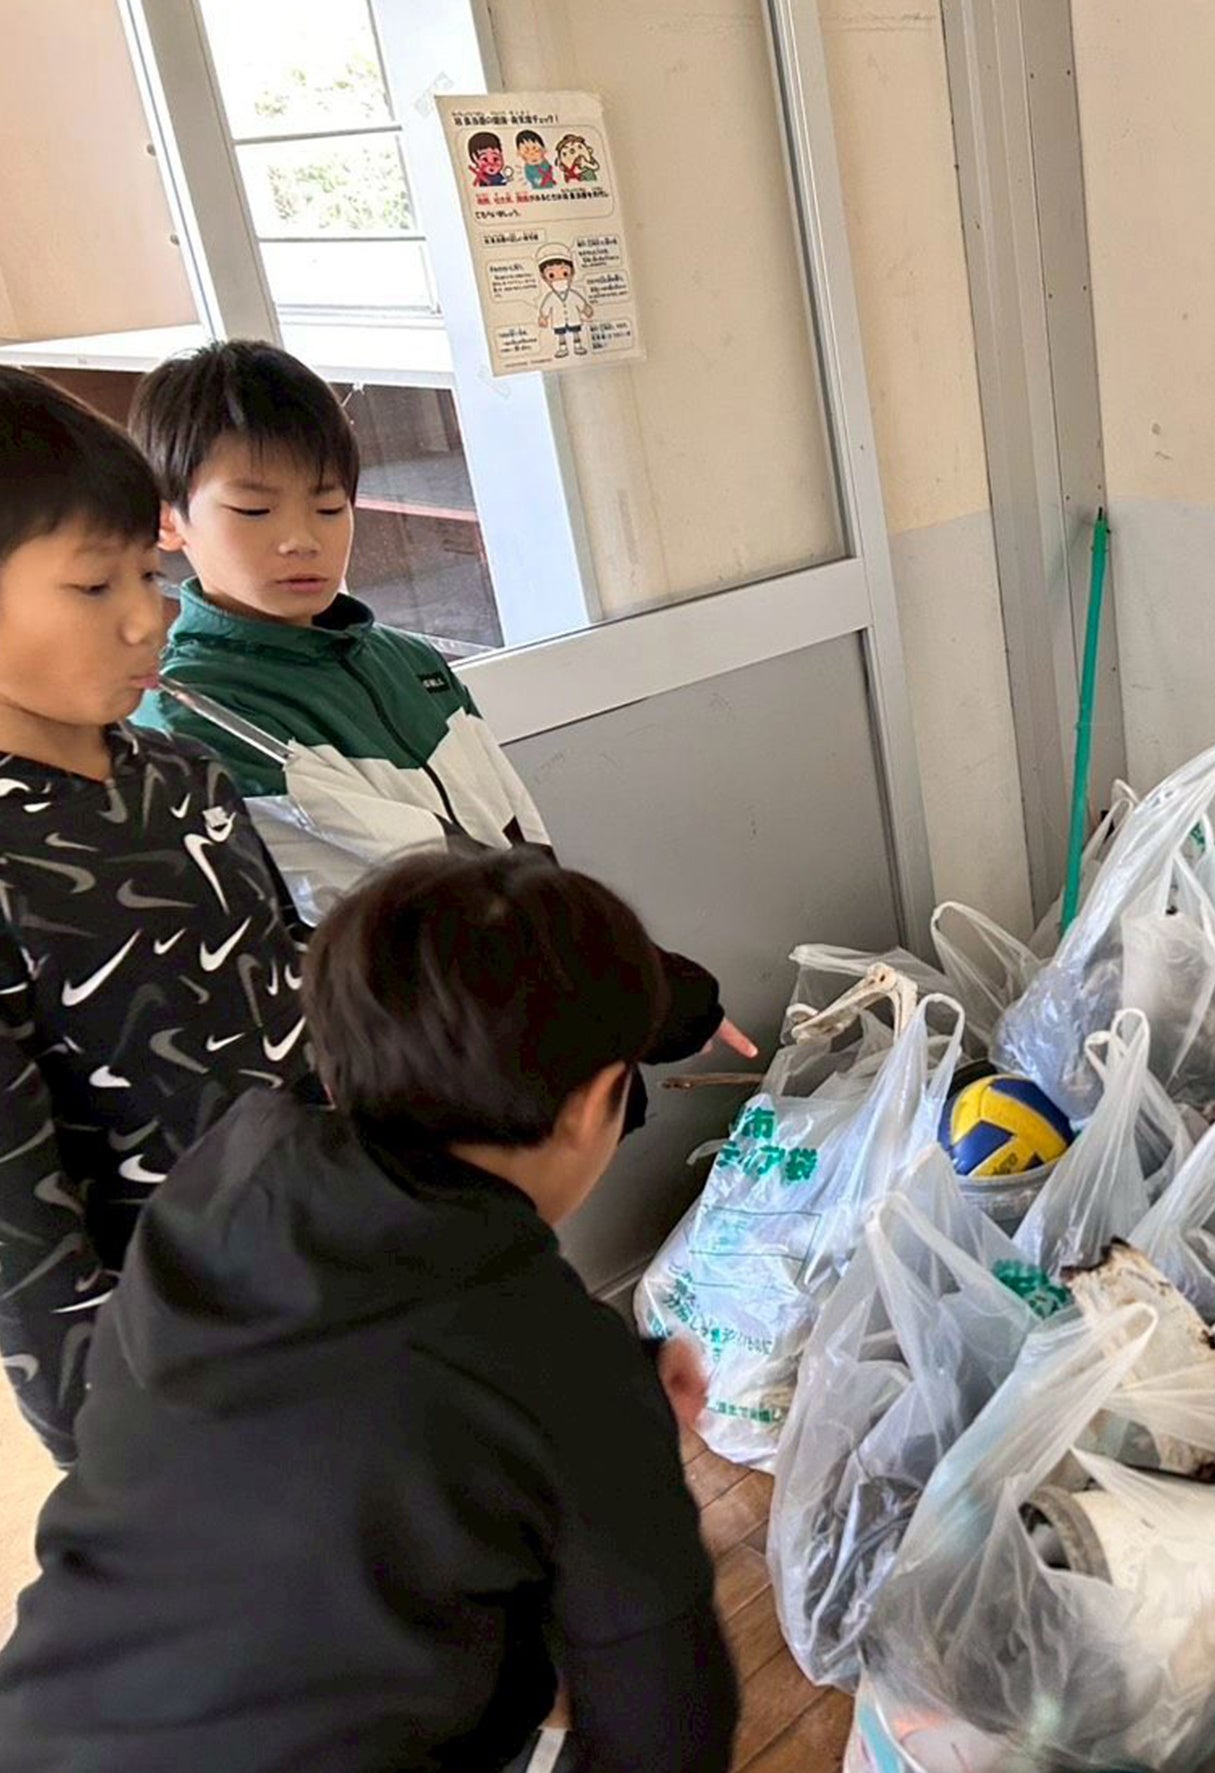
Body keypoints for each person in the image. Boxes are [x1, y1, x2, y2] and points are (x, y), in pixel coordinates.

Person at [0, 851, 742, 1773]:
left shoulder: (213, 1191)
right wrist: (614, 1431)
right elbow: (667, 1731)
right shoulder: (565, 1367)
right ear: (597, 1104)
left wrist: (599, 1425)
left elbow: (353, 1421)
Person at [125, 340, 754, 1077]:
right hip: (430, 1076)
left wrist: (633, 987)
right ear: (168, 521)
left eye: (329, 505)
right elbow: (421, 901)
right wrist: (644, 994)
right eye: (254, 508)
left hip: (542, 1033)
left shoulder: (408, 661)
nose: (302, 539)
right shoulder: (196, 717)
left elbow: (515, 856)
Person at [0, 368, 312, 1465]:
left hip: (335, 1261)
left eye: (148, 570)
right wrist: (116, 1464)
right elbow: (23, 1238)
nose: (148, 617)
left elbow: (292, 986)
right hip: (185, 1370)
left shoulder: (186, 776)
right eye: (94, 585)